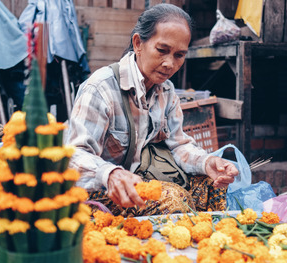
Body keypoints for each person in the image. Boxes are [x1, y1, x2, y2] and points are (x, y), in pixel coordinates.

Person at [65, 3, 239, 216]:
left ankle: (203, 244)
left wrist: (208, 162)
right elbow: (74, 155)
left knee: (212, 186)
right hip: (97, 191)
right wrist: (110, 174)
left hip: (139, 179)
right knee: (174, 199)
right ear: (138, 43)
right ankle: (163, 245)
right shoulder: (100, 88)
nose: (169, 64)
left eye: (179, 55)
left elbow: (179, 145)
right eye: (162, 51)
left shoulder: (166, 91)